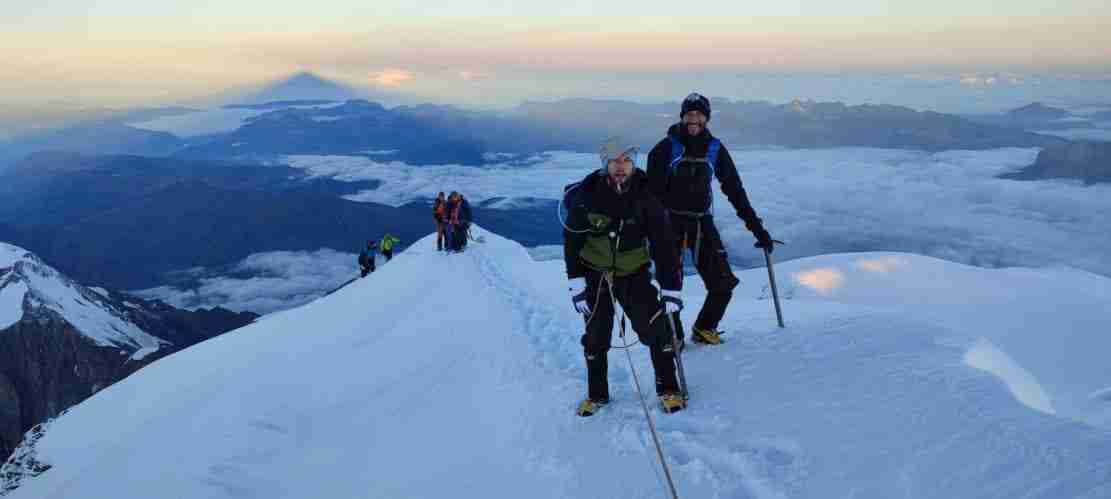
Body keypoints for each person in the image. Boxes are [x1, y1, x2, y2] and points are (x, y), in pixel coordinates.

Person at [563, 137, 686, 416]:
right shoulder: (587, 196)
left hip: (634, 275)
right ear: (605, 165)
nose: (621, 167)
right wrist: (576, 282)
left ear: (633, 164)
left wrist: (671, 288)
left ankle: (669, 389)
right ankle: (597, 395)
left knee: (657, 330)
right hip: (595, 276)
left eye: (626, 161)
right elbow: (571, 240)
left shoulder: (646, 197)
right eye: (614, 161)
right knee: (595, 337)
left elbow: (663, 244)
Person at [647, 92, 776, 346]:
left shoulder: (715, 149)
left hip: (701, 223)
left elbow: (735, 191)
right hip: (669, 222)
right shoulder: (665, 149)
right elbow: (650, 195)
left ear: (706, 118)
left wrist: (758, 230)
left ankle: (705, 327)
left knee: (723, 283)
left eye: (699, 114)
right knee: (669, 288)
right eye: (689, 114)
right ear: (682, 117)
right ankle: (675, 337)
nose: (693, 119)